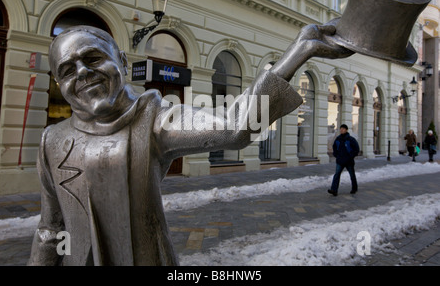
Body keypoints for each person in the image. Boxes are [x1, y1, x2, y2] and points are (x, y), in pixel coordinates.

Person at [28, 23, 353, 266]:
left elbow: (235, 127)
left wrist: (298, 53)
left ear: (124, 63)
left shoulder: (154, 118)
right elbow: (51, 227)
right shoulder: (52, 140)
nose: (83, 72)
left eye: (93, 58)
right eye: (67, 70)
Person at [328, 124, 360, 197]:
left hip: (349, 161)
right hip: (340, 160)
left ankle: (354, 188)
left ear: (346, 130)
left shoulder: (351, 139)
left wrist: (350, 156)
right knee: (337, 174)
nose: (341, 130)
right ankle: (334, 190)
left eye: (343, 129)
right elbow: (334, 147)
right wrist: (336, 155)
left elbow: (356, 149)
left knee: (352, 175)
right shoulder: (338, 139)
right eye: (341, 128)